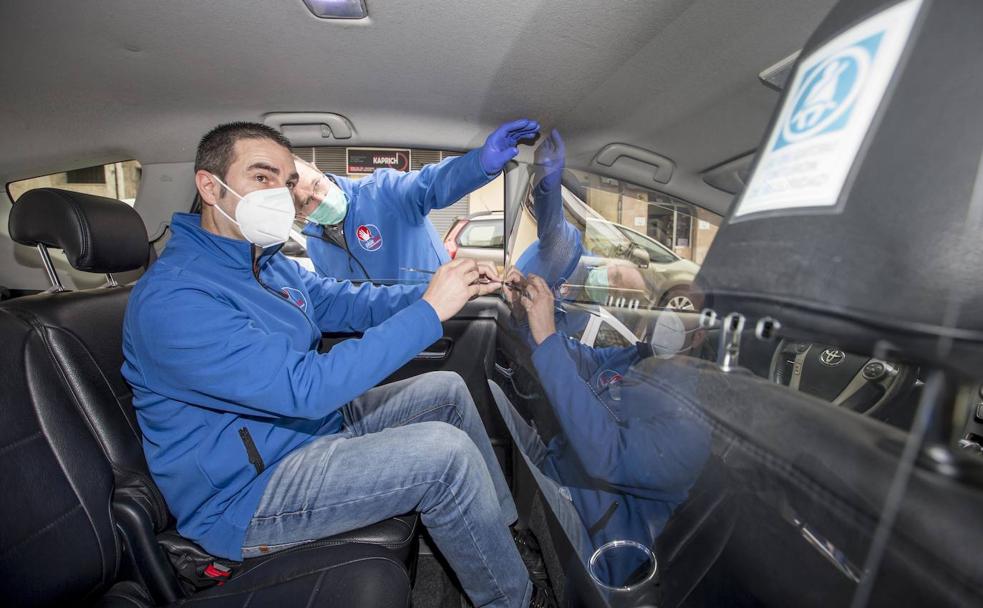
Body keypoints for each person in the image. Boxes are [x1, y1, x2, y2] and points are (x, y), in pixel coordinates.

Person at [122, 122, 550, 607]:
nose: (281, 196)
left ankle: (505, 533)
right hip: (245, 493)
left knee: (447, 390)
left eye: (286, 183)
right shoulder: (175, 297)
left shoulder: (263, 262)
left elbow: (348, 302)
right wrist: (430, 311)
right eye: (261, 177)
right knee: (443, 456)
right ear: (209, 185)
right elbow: (303, 388)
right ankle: (513, 600)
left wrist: (445, 291)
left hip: (302, 433)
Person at [497, 271, 711, 588]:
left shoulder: (690, 421)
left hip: (587, 528)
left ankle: (520, 585)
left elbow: (608, 457)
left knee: (460, 450)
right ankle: (502, 527)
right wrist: (524, 316)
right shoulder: (634, 359)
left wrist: (547, 338)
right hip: (557, 471)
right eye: (666, 304)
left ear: (698, 336)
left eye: (682, 309)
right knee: (471, 395)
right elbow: (571, 358)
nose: (668, 316)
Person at [292, 119, 540, 281]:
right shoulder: (316, 245)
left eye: (316, 184)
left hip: (434, 315)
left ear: (316, 167)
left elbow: (430, 184)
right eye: (306, 203)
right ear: (298, 215)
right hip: (380, 338)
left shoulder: (381, 191)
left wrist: (479, 164)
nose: (320, 199)